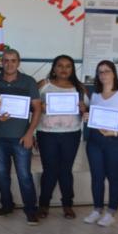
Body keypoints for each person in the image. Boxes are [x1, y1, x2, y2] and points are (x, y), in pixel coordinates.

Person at [83, 60, 118, 227]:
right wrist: (87, 117)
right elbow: (94, 117)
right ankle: (97, 209)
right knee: (97, 177)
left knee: (114, 177)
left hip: (116, 142)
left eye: (107, 71)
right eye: (100, 72)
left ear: (114, 73)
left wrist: (115, 131)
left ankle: (111, 212)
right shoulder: (95, 95)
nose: (103, 75)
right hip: (95, 142)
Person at [0, 49, 42, 226]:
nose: (9, 64)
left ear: (18, 62)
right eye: (6, 60)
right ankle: (6, 205)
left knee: (24, 175)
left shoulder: (29, 82)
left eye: (13, 60)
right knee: (2, 175)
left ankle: (31, 210)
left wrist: (30, 134)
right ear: (1, 62)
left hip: (21, 138)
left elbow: (37, 109)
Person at [36, 54, 87, 220]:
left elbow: (88, 111)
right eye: (60, 65)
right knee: (49, 170)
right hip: (47, 133)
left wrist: (83, 108)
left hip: (71, 134)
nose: (64, 69)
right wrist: (40, 107)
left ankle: (67, 205)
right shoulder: (44, 85)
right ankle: (43, 205)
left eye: (68, 66)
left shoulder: (79, 88)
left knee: (65, 170)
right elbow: (30, 107)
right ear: (54, 68)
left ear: (72, 69)